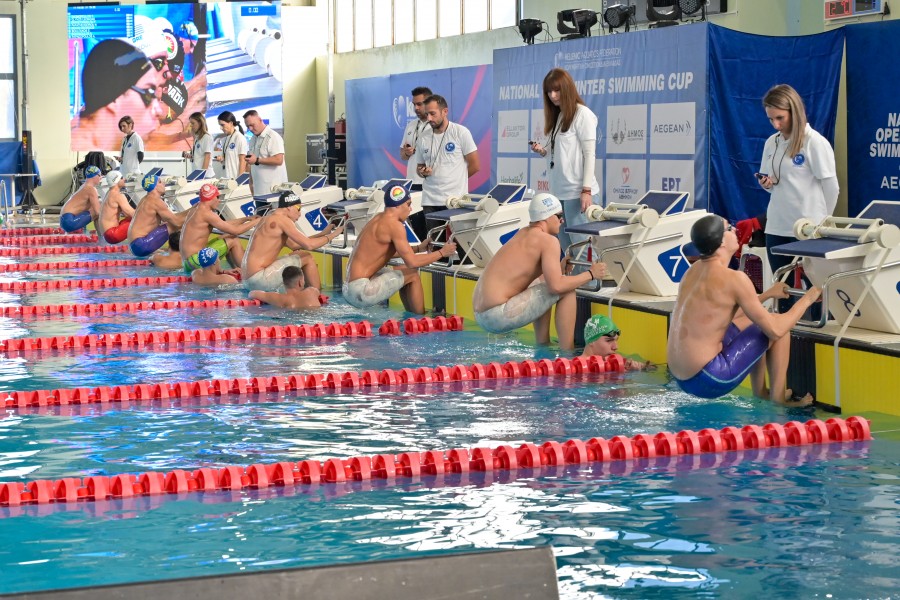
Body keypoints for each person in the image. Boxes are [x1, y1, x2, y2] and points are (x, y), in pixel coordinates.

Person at [667, 214, 821, 405]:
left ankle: (761, 394)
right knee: (778, 327)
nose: (735, 230)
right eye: (729, 228)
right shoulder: (734, 279)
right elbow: (776, 329)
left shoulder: (693, 270)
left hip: (681, 377)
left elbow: (725, 313)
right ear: (721, 242)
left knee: (752, 320)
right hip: (709, 378)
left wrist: (767, 294)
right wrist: (808, 298)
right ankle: (778, 400)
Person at [472, 193, 607, 350]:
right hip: (497, 315)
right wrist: (591, 274)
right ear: (546, 217)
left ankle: (543, 346)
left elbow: (534, 276)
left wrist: (560, 268)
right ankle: (568, 352)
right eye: (559, 216)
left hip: (481, 314)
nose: (562, 221)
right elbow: (556, 286)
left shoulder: (523, 233)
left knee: (547, 285)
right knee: (566, 290)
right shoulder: (549, 241)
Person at [757, 84, 838, 318]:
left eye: (780, 118)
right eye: (771, 119)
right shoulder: (771, 143)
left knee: (815, 291)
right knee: (782, 291)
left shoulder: (814, 142)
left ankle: (816, 334)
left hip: (808, 230)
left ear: (794, 111)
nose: (775, 124)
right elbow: (773, 183)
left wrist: (822, 223)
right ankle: (786, 336)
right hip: (777, 227)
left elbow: (831, 187)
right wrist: (767, 184)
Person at [344, 183, 456, 314]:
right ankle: (420, 319)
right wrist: (442, 252)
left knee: (403, 272)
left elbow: (383, 253)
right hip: (361, 292)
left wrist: (419, 248)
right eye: (408, 204)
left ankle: (411, 316)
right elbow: (412, 262)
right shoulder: (394, 225)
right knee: (412, 274)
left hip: (349, 289)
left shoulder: (378, 218)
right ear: (397, 205)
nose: (410, 209)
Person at [529, 68, 600, 254]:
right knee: (568, 251)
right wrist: (543, 151)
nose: (552, 96)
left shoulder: (583, 114)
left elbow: (589, 154)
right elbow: (559, 153)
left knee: (583, 251)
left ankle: (590, 276)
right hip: (558, 193)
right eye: (549, 92)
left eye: (557, 90)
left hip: (578, 193)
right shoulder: (559, 115)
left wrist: (586, 190)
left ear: (567, 88)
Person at [70, 39, 164, 152]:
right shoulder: (81, 157)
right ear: (113, 99)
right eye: (149, 93)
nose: (159, 111)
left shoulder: (81, 151)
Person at [241, 192, 342, 292]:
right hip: (260, 280)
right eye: (298, 209)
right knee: (306, 257)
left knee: (298, 254)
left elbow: (294, 245)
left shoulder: (268, 217)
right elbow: (309, 245)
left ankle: (308, 291)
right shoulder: (283, 220)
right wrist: (333, 235)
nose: (300, 214)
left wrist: (322, 234)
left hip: (247, 280)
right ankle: (316, 295)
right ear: (289, 207)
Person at [414, 94, 479, 241]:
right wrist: (422, 172)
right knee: (435, 246)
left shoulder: (460, 132)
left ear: (445, 111)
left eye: (433, 114)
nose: (429, 118)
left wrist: (455, 179)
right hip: (430, 201)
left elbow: (475, 165)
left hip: (455, 201)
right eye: (427, 114)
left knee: (458, 245)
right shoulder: (423, 137)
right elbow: (419, 167)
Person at [180, 183, 258, 273]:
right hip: (195, 262)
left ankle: (237, 270)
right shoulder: (207, 214)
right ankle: (248, 273)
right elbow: (236, 231)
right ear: (212, 197)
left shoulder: (196, 209)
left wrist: (246, 219)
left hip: (188, 263)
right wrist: (258, 221)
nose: (219, 201)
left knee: (226, 236)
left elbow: (223, 224)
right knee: (233, 239)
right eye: (217, 197)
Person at [127, 174, 189, 258]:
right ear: (154, 186)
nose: (163, 183)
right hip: (141, 245)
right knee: (174, 225)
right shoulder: (155, 201)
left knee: (171, 223)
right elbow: (177, 223)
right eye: (160, 182)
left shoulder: (146, 199)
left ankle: (172, 250)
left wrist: (193, 209)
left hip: (135, 246)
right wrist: (196, 209)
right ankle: (181, 252)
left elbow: (172, 218)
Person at [400, 86, 432, 239]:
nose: (416, 108)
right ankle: (421, 251)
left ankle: (433, 252)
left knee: (430, 227)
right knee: (417, 226)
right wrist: (406, 152)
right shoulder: (411, 125)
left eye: (420, 104)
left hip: (429, 184)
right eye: (414, 104)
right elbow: (402, 154)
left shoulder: (436, 127)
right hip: (412, 183)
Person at [581, 314, 653, 371]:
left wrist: (642, 368)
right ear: (591, 341)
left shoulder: (618, 364)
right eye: (609, 340)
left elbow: (653, 368)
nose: (615, 347)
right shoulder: (576, 369)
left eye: (616, 340)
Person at [244, 110, 287, 195]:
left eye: (252, 125)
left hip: (273, 190)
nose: (250, 129)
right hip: (258, 188)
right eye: (248, 126)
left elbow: (279, 160)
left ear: (260, 120)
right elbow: (252, 163)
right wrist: (251, 182)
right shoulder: (253, 139)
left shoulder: (273, 136)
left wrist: (257, 160)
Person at [249, 266, 321, 310]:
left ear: (283, 283)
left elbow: (251, 294)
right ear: (300, 282)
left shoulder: (280, 298)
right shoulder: (312, 291)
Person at [60, 165, 102, 233]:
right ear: (94, 176)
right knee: (100, 207)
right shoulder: (91, 189)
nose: (101, 177)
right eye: (99, 175)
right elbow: (98, 212)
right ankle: (102, 236)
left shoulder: (84, 186)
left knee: (96, 206)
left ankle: (101, 235)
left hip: (64, 220)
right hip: (69, 221)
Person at [98, 170, 135, 244]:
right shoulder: (118, 195)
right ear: (116, 180)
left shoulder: (109, 193)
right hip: (113, 234)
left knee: (134, 218)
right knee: (141, 220)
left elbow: (127, 214)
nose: (124, 179)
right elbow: (133, 214)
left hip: (107, 234)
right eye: (121, 178)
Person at [215, 110, 248, 179]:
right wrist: (222, 159)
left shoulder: (239, 138)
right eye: (220, 125)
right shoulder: (224, 139)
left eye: (222, 125)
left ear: (231, 123)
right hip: (225, 176)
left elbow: (243, 161)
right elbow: (229, 158)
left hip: (235, 178)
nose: (221, 128)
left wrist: (239, 180)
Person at [182, 112, 214, 178]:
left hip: (205, 175)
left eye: (193, 123)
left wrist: (201, 175)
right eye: (190, 123)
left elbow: (207, 157)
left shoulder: (206, 137)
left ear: (200, 123)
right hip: (197, 173)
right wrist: (191, 156)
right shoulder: (197, 138)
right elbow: (199, 155)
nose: (191, 126)